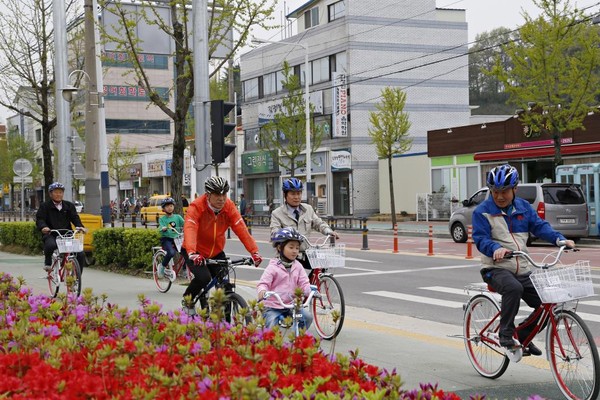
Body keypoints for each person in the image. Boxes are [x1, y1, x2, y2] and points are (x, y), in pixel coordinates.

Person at [472, 164, 575, 356]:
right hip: (495, 268)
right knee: (513, 288)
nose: (499, 196)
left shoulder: (524, 208)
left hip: (522, 268)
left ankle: (523, 335)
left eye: (504, 191)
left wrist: (559, 239)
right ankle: (506, 334)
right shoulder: (482, 211)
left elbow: (540, 226)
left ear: (515, 189)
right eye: (495, 192)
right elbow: (480, 239)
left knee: (548, 303)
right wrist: (496, 249)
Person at [182, 176, 263, 316]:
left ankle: (226, 323)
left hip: (216, 251)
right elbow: (190, 228)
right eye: (217, 194)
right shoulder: (196, 206)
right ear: (208, 195)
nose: (221, 198)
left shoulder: (228, 206)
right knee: (204, 278)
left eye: (224, 194)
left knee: (225, 285)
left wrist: (254, 252)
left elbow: (241, 229)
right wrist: (192, 252)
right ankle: (187, 300)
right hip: (195, 251)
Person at [270, 177, 339, 271]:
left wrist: (328, 231)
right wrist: (285, 235)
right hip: (287, 256)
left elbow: (318, 223)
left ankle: (318, 282)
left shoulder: (308, 209)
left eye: (299, 193)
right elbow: (275, 233)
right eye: (293, 194)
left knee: (323, 263)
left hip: (305, 253)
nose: (296, 197)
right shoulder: (277, 213)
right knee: (294, 281)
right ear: (285, 195)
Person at [257, 227, 313, 330]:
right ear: (280, 248)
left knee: (307, 317)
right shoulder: (273, 267)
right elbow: (263, 283)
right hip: (272, 306)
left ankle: (298, 339)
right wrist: (263, 291)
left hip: (291, 306)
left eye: (297, 248)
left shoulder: (298, 266)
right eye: (291, 247)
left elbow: (304, 283)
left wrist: (309, 291)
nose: (295, 251)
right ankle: (269, 345)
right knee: (271, 324)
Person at [36, 182, 87, 273]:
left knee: (80, 254)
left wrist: (80, 227)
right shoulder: (45, 206)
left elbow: (75, 218)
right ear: (50, 194)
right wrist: (43, 227)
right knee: (51, 245)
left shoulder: (69, 206)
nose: (58, 194)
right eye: (55, 192)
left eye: (60, 192)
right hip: (51, 234)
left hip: (67, 235)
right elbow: (40, 219)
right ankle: (48, 263)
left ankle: (77, 276)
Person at [157, 197, 186, 279]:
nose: (169, 208)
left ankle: (185, 270)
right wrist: (163, 228)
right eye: (167, 206)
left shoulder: (178, 217)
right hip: (167, 239)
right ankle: (162, 267)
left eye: (171, 206)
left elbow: (185, 224)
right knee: (171, 253)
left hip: (177, 239)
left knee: (186, 252)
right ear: (163, 209)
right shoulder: (162, 219)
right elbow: (161, 227)